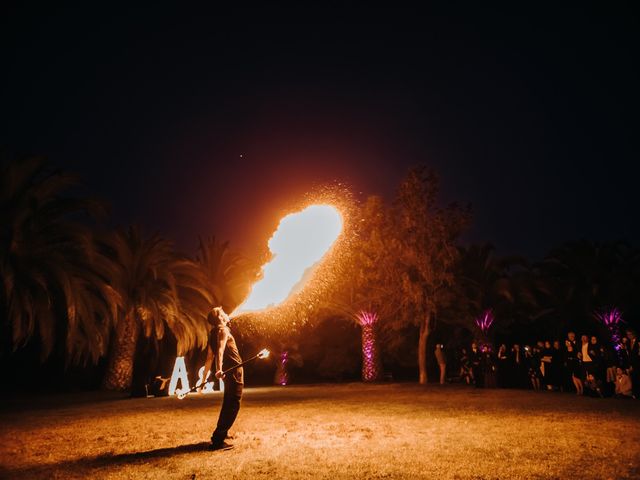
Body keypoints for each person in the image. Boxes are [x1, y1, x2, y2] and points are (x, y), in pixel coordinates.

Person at [203, 306, 244, 451]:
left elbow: (209, 356)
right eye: (223, 313)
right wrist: (219, 369)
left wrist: (203, 379)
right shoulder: (223, 330)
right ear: (220, 318)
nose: (227, 314)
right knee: (233, 404)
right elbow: (219, 351)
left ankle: (222, 433)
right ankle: (218, 439)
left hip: (229, 371)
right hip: (233, 371)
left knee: (228, 402)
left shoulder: (212, 333)